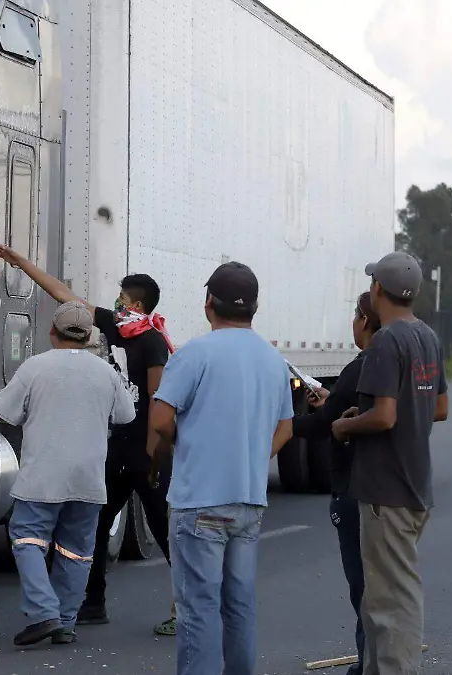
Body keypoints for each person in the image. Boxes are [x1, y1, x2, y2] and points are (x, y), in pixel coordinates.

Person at [0, 244, 179, 635]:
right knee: (94, 528)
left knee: (164, 528)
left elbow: (158, 397)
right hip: (113, 448)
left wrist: (153, 454)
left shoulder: (151, 341)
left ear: (137, 304)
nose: (116, 302)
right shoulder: (116, 326)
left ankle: (187, 607)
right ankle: (91, 604)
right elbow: (65, 296)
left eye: (123, 297)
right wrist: (22, 263)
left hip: (144, 452)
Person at [148, 261, 294, 675]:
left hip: (200, 501)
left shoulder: (194, 353)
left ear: (208, 302)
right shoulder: (273, 359)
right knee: (240, 605)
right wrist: (251, 456)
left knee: (198, 609)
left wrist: (185, 443)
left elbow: (160, 420)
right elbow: (286, 427)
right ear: (255, 307)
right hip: (248, 501)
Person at [331, 252, 449, 675]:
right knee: (379, 601)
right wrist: (367, 414)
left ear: (378, 288)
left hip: (387, 491)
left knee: (394, 604)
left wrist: (346, 426)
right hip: (415, 485)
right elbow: (440, 408)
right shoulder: (427, 336)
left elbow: (384, 416)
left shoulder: (385, 341)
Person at [0, 301, 137, 647]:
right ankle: (66, 622)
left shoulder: (35, 367)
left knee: (27, 539)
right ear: (89, 337)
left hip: (42, 476)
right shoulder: (106, 372)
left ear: (52, 332)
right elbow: (126, 415)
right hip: (89, 478)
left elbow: (4, 410)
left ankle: (44, 613)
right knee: (77, 550)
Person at [292, 291, 381, 675]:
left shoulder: (361, 366)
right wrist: (332, 401)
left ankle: (368, 666)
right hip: (382, 487)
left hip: (353, 488)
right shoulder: (387, 363)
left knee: (363, 588)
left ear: (364, 321)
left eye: (355, 316)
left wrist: (283, 424)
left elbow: (320, 425)